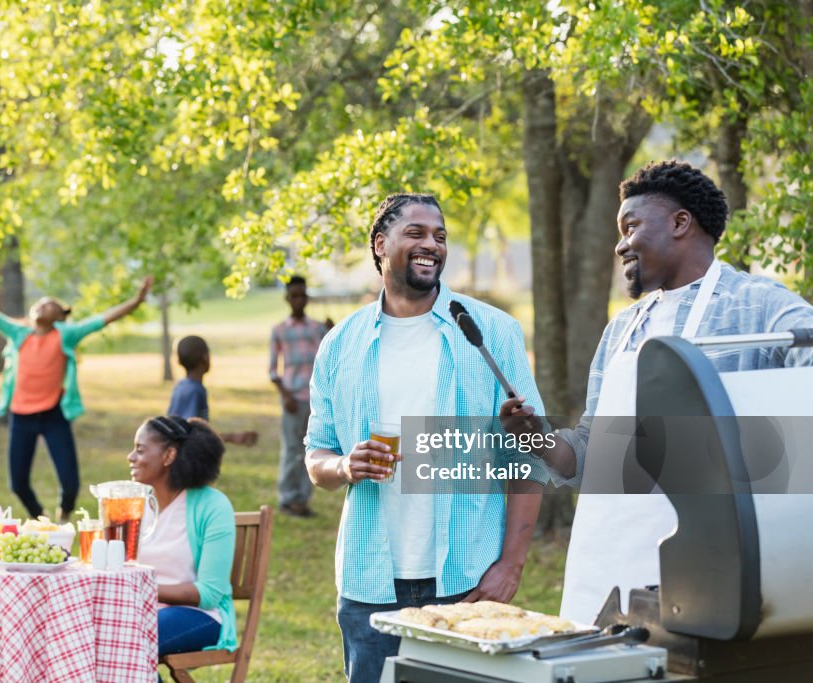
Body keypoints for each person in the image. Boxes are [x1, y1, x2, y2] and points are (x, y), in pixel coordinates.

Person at [500, 160, 813, 625]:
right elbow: (588, 453)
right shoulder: (622, 328)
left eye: (631, 226)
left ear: (680, 223)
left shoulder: (756, 303)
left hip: (708, 559)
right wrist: (536, 437)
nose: (620, 243)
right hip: (604, 563)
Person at [305, 193, 549, 683]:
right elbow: (317, 456)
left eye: (439, 236)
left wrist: (511, 564)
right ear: (380, 244)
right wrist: (345, 466)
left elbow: (532, 454)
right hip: (368, 581)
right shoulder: (340, 344)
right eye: (415, 233)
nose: (431, 245)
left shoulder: (491, 332)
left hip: (465, 578)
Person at [0, 257, 152, 521]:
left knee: (71, 483)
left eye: (50, 304)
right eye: (38, 304)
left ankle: (63, 514)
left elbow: (103, 319)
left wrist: (136, 301)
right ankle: (40, 518)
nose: (42, 306)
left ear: (60, 316)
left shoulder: (66, 334)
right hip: (21, 416)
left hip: (53, 415)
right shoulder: (20, 334)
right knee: (17, 483)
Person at [128, 416, 237, 657]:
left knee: (131, 639)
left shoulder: (212, 506)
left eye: (140, 450)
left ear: (169, 456)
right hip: (139, 610)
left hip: (198, 615)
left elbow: (209, 594)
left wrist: (145, 588)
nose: (131, 457)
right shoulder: (133, 502)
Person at [269, 275, 331, 518]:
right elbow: (273, 371)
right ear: (287, 298)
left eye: (302, 295)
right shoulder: (280, 331)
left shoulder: (316, 328)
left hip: (314, 399)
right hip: (293, 399)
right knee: (292, 449)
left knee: (312, 449)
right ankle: (287, 497)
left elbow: (329, 357)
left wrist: (332, 328)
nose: (298, 300)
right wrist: (286, 396)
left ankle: (302, 499)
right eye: (294, 296)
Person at [168, 335, 257, 446]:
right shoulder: (195, 391)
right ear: (205, 358)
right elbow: (190, 435)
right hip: (189, 460)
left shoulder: (181, 386)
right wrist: (231, 437)